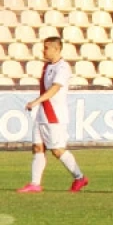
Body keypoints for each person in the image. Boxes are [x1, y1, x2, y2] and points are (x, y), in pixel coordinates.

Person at [16, 37, 88, 193]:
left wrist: (36, 101)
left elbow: (55, 88)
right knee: (38, 147)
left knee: (57, 150)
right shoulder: (47, 66)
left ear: (56, 49)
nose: (43, 51)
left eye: (46, 48)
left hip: (54, 115)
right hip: (42, 113)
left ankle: (80, 177)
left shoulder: (62, 67)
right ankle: (35, 184)